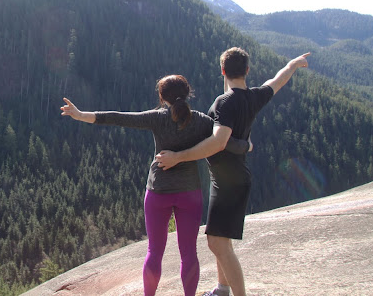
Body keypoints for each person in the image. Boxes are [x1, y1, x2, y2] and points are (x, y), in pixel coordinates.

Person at [61, 74, 252, 296]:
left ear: (162, 98)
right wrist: (246, 145)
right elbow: (225, 141)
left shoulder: (157, 118)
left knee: (154, 252)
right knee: (189, 253)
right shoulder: (200, 120)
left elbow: (118, 118)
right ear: (187, 93)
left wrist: (80, 115)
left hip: (158, 191)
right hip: (189, 193)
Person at [156, 48, 310, 296]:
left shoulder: (224, 103)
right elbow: (276, 81)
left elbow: (219, 142)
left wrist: (178, 157)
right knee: (221, 239)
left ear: (222, 71)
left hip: (229, 181)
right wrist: (292, 65)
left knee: (217, 243)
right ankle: (222, 290)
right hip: (230, 178)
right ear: (247, 70)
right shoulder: (254, 96)